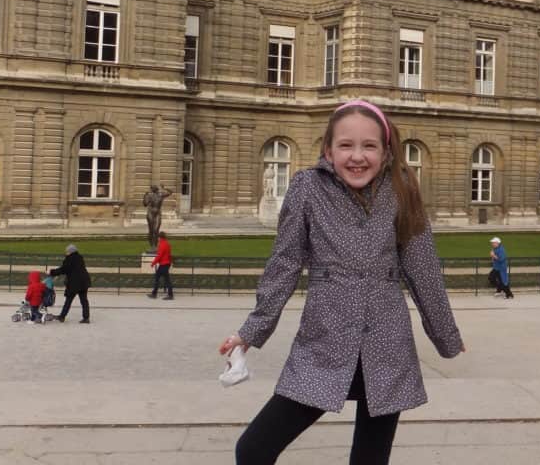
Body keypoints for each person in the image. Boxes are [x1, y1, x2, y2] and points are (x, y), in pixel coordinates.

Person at [218, 99, 465, 465]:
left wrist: (445, 335)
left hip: (386, 345)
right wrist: (251, 332)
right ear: (328, 151)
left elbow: (423, 269)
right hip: (324, 342)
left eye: (369, 146)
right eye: (346, 145)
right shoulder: (307, 187)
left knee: (369, 459)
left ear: (386, 151)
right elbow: (283, 264)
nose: (357, 156)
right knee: (253, 448)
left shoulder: (402, 189)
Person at [49, 243, 92, 323]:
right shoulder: (79, 257)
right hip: (84, 282)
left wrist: (51, 272)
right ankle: (86, 318)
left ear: (70, 252)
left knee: (68, 300)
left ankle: (62, 317)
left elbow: (63, 269)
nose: (66, 253)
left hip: (74, 283)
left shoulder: (69, 259)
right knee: (84, 300)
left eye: (67, 251)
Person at [143, 184, 173, 249]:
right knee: (151, 230)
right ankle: (152, 245)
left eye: (152, 188)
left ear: (156, 189)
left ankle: (155, 245)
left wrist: (164, 188)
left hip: (158, 213)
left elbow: (170, 192)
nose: (151, 189)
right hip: (150, 213)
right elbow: (145, 204)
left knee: (156, 230)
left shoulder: (161, 195)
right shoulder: (149, 195)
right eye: (151, 188)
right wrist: (145, 196)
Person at [148, 231, 174, 300]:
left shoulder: (162, 244)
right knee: (160, 278)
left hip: (163, 264)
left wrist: (153, 263)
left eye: (158, 238)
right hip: (166, 263)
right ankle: (154, 293)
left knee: (165, 279)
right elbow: (169, 254)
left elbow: (159, 255)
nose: (158, 239)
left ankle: (169, 295)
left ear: (160, 237)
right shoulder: (167, 243)